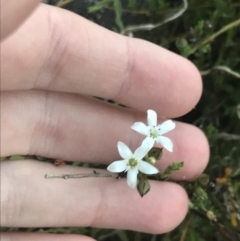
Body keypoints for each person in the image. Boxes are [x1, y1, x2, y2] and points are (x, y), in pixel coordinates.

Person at [0, 0, 209, 240]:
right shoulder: (141, 148)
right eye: (154, 133)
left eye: (155, 133)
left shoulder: (143, 151)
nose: (153, 134)